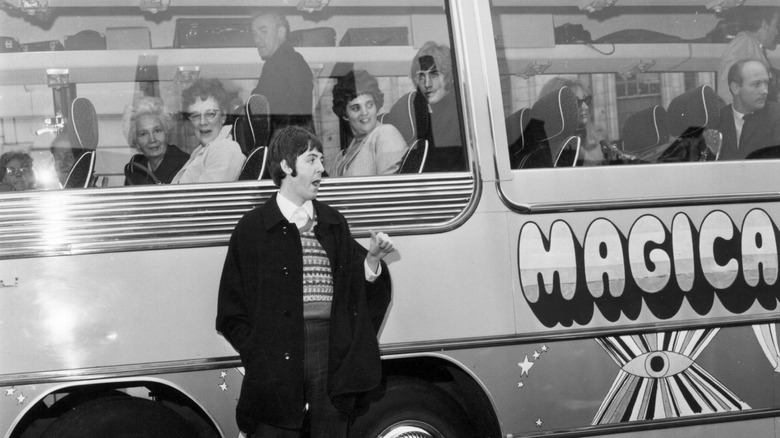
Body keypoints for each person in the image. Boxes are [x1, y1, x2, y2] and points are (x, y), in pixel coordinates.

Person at [216, 126, 394, 437]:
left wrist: (373, 260)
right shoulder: (252, 229)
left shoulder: (333, 222)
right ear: (286, 166)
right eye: (311, 160)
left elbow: (357, 295)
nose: (322, 169)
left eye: (321, 160)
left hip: (330, 351)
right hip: (275, 358)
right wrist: (258, 353)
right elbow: (231, 310)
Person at [382, 41, 465, 171]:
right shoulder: (419, 107)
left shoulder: (459, 112)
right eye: (421, 76)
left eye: (434, 74)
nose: (427, 84)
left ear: (448, 76)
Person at [329, 70, 408, 177]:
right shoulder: (342, 156)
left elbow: (389, 188)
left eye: (369, 105)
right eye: (356, 108)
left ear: (376, 106)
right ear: (345, 114)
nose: (364, 113)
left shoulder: (386, 134)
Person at [250, 10, 314, 134]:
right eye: (254, 34)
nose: (257, 40)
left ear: (281, 32)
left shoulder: (281, 62)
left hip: (288, 144)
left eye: (263, 31)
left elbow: (260, 108)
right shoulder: (290, 60)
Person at [172, 79, 245, 184]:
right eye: (196, 115)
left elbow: (206, 198)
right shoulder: (204, 149)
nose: (202, 122)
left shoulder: (226, 150)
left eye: (210, 114)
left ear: (223, 117)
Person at [717, 59, 780, 160]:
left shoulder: (776, 116)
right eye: (757, 84)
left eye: (766, 83)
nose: (765, 91)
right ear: (735, 88)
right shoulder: (717, 120)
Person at [537, 77, 608, 166]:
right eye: (576, 102)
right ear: (555, 107)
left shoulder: (598, 136)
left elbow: (600, 172)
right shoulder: (545, 146)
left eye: (586, 100)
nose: (585, 107)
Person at [717, 7, 779, 105]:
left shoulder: (751, 46)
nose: (776, 32)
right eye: (775, 26)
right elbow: (729, 88)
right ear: (764, 24)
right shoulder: (744, 43)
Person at [122, 96, 189, 185]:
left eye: (157, 131)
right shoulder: (136, 170)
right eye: (143, 134)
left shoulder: (183, 166)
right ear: (136, 141)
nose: (152, 139)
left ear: (166, 132)